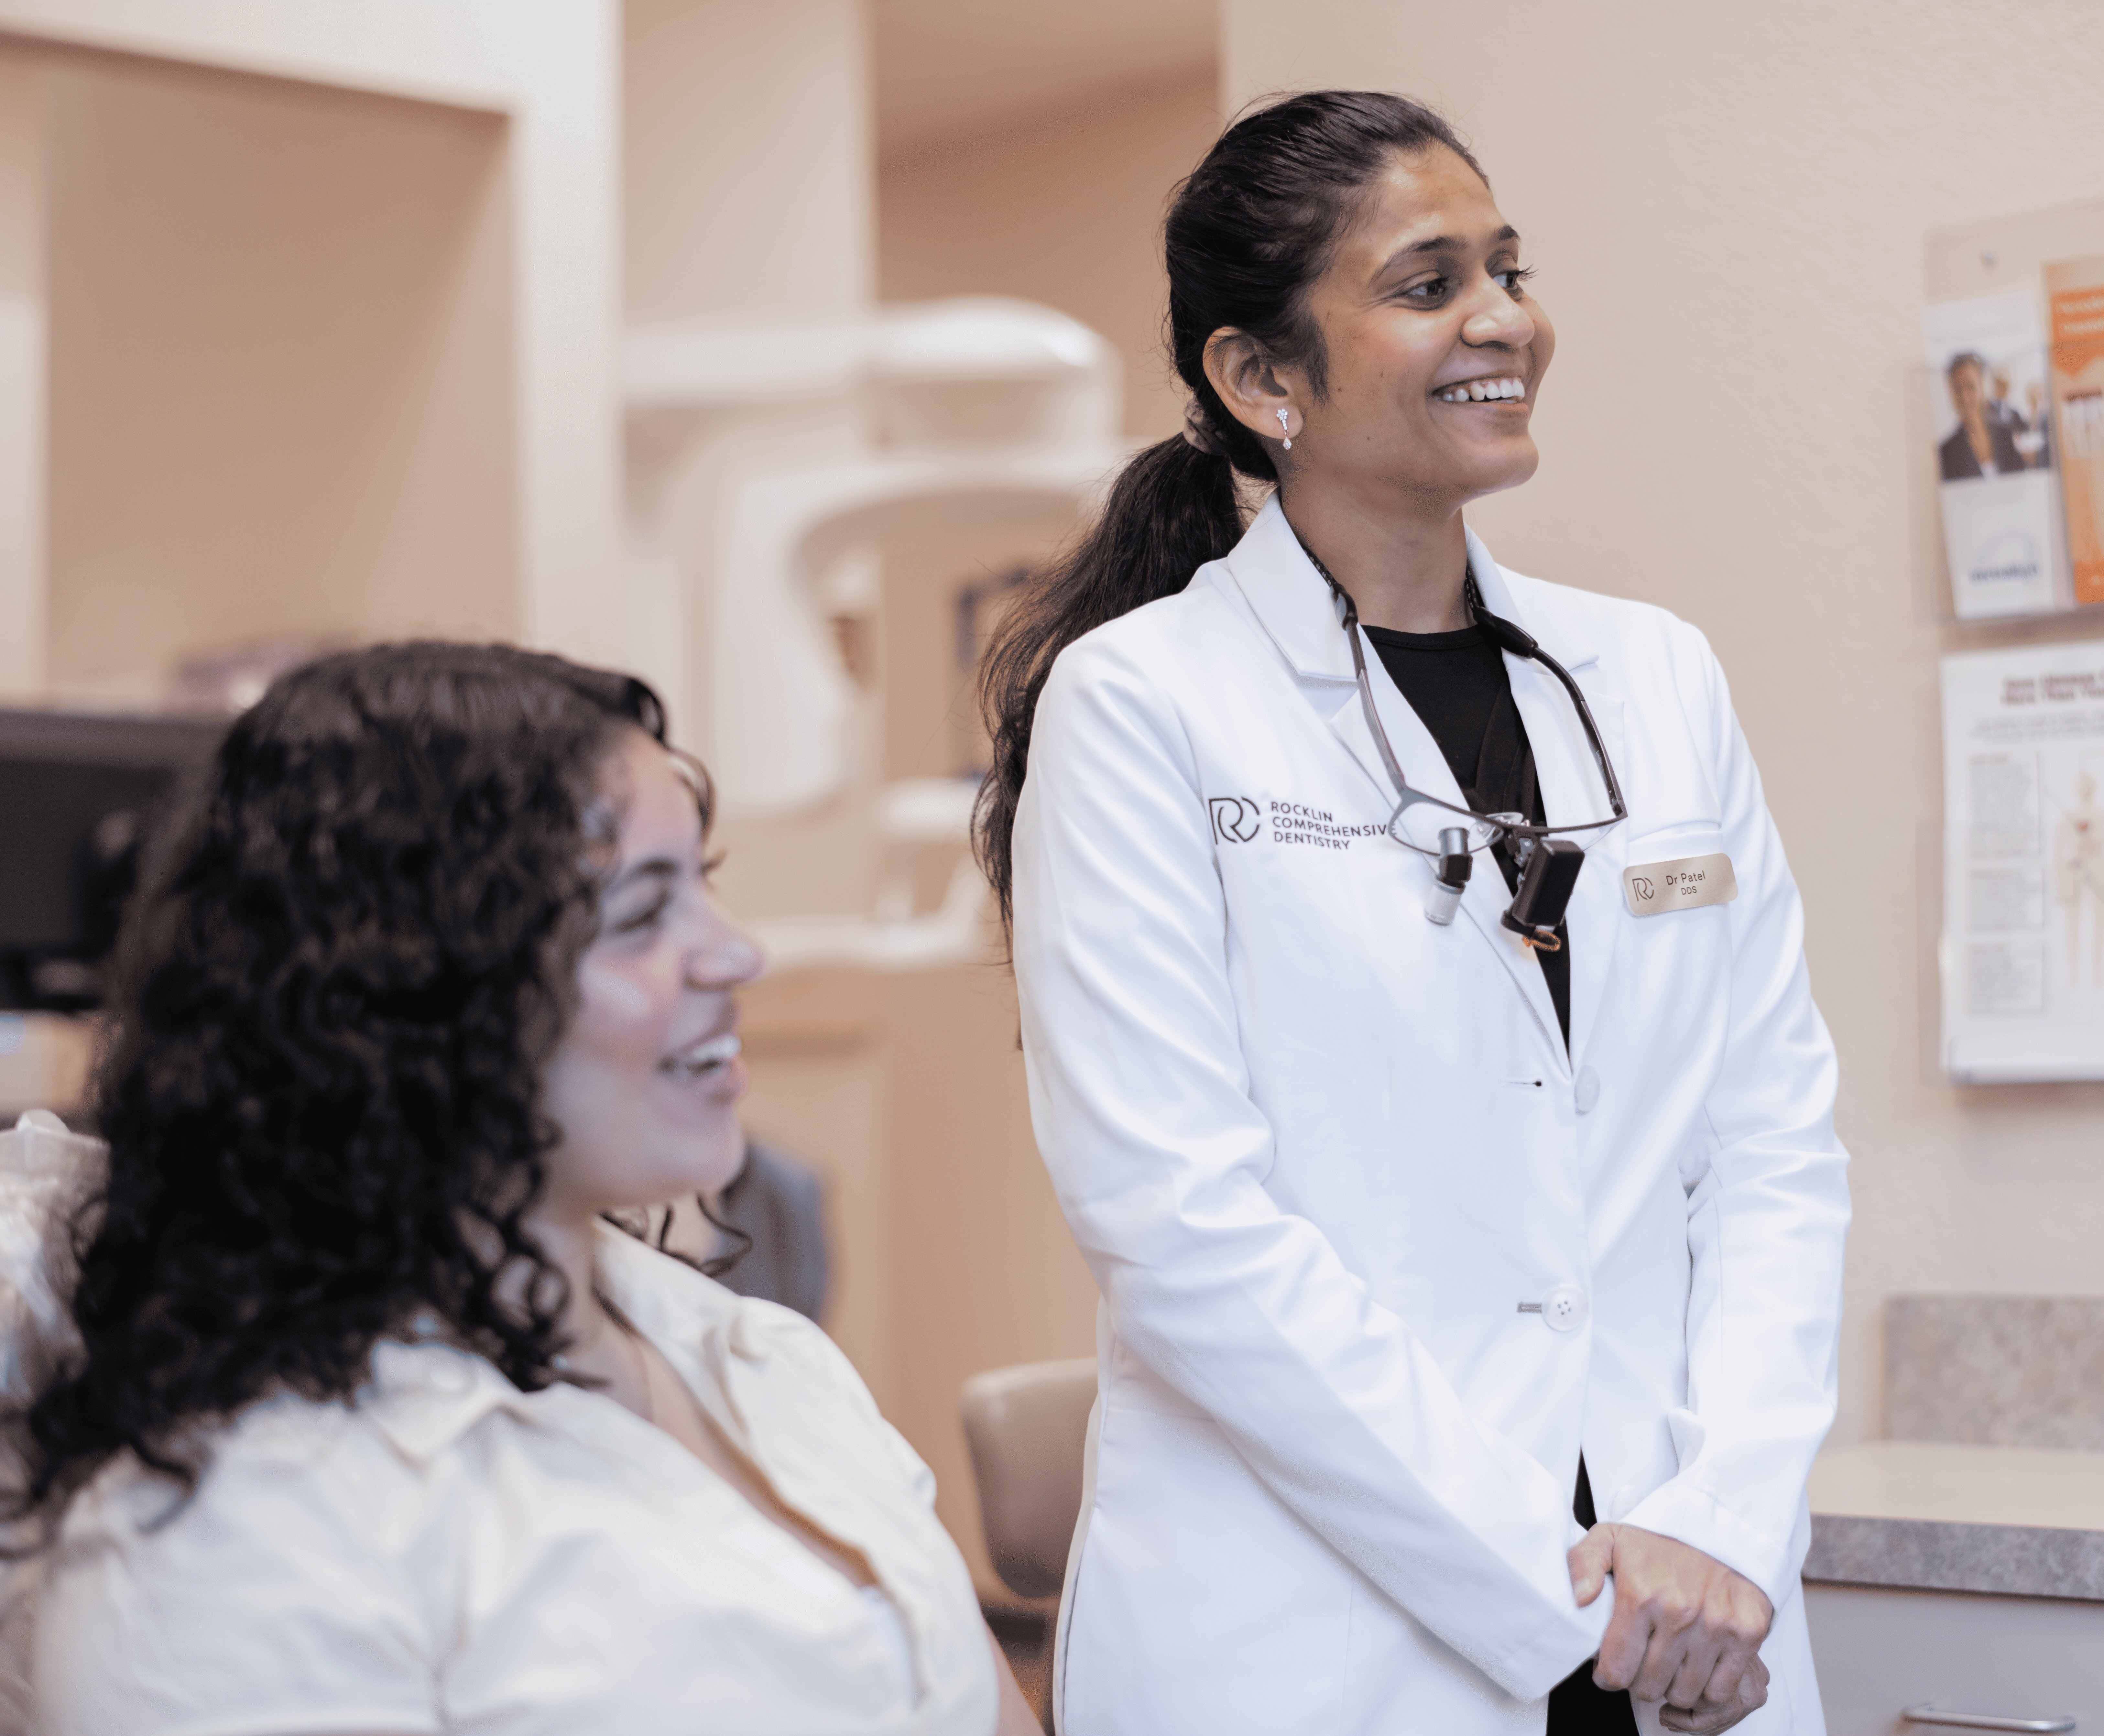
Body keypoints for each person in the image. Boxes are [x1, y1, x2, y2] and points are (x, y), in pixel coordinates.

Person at [976, 93, 1849, 1735]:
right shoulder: (1146, 703)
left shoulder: (1651, 677)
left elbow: (1771, 1142)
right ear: (1259, 379)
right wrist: (1558, 1577)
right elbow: (1182, 1224)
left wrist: (1728, 1515)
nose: (1501, 319)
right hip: (1330, 1634)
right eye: (1427, 280)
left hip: (1688, 1611)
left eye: (1504, 267)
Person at [1, 643, 1038, 1736]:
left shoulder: (758, 1360)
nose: (736, 954)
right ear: (412, 993)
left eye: (705, 887)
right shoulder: (240, 1535)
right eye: (642, 915)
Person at [1937, 350, 2030, 480]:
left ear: (1983, 387)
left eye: (1971, 387)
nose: (1964, 397)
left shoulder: (2006, 436)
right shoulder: (1947, 451)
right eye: (1958, 390)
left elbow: (2023, 481)